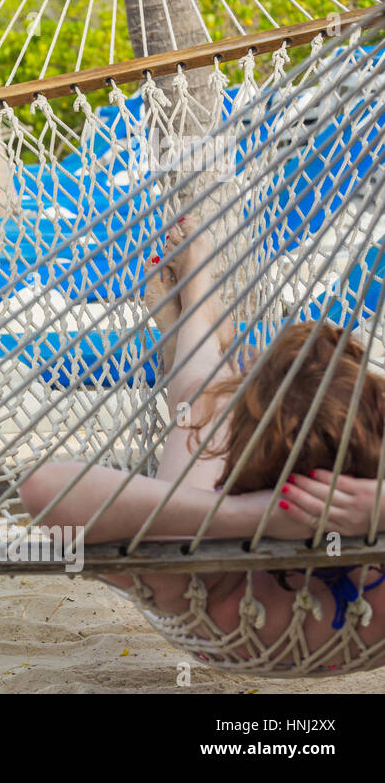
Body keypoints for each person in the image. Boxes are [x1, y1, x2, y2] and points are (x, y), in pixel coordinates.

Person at [19, 216, 385, 653]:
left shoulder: (206, 568)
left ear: (243, 453)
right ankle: (206, 333)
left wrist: (245, 515)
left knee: (200, 411)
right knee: (207, 407)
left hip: (221, 615)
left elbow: (44, 489)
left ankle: (198, 309)